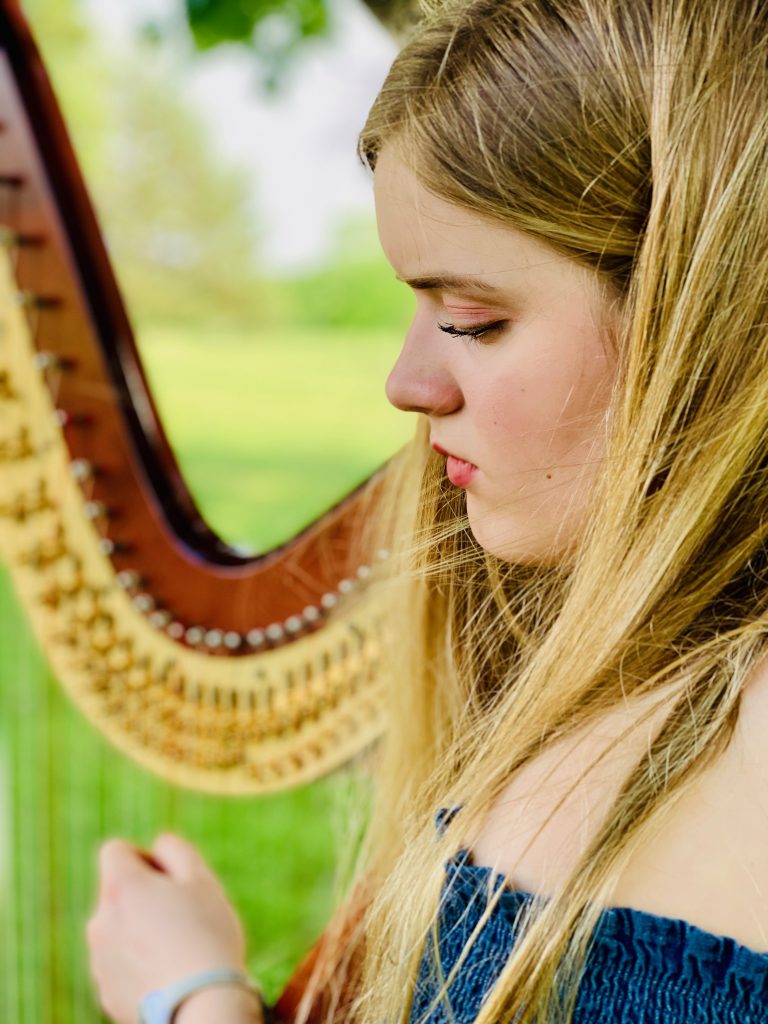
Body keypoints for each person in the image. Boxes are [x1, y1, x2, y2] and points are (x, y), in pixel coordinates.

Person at [86, 0, 768, 1021]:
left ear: (704, 318)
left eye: (470, 320)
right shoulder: (615, 697)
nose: (408, 381)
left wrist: (191, 998)